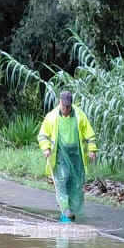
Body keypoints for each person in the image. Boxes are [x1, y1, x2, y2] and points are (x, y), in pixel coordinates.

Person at [37, 89, 96, 224]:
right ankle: (65, 210)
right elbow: (43, 135)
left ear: (71, 104)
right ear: (59, 102)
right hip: (59, 155)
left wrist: (92, 149)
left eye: (68, 106)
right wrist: (46, 148)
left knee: (75, 184)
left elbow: (89, 134)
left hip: (76, 155)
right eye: (63, 106)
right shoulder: (52, 117)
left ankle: (72, 210)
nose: (65, 109)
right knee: (61, 182)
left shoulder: (80, 116)